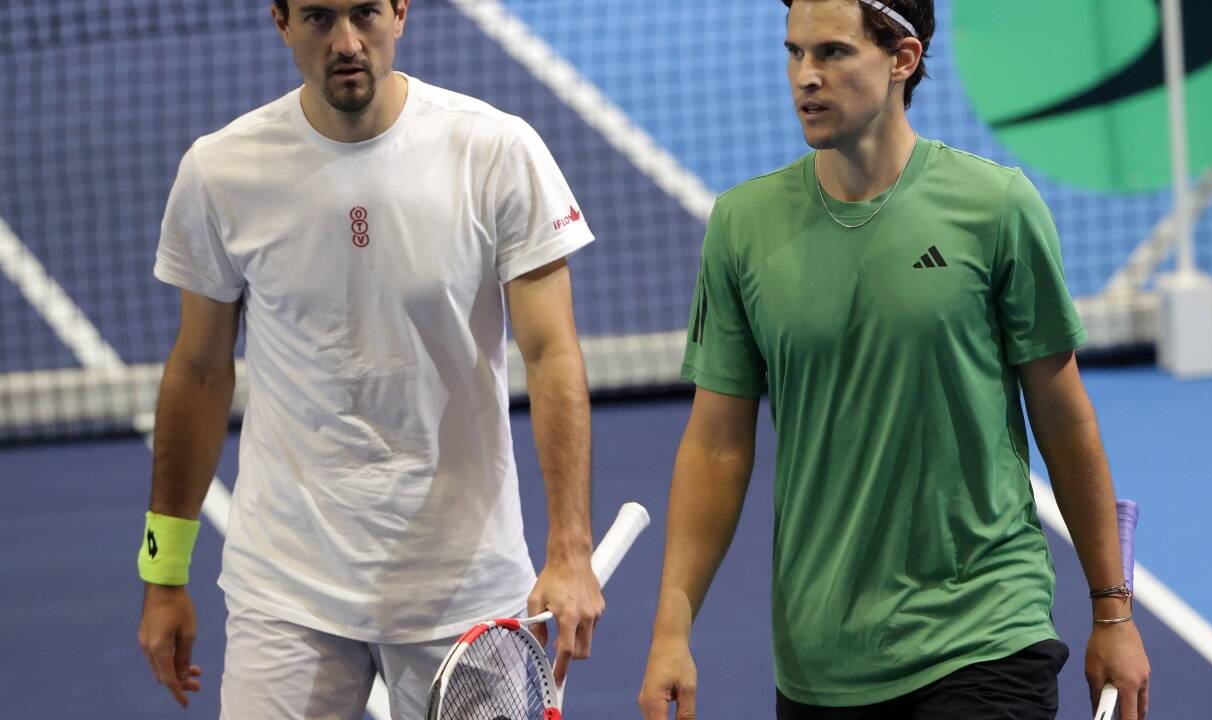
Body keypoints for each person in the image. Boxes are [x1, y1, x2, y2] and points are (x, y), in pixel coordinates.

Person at [637, 1, 1151, 718]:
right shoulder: (742, 225)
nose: (804, 78)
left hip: (985, 631)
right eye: (794, 53)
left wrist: (1112, 612)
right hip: (821, 659)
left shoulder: (995, 208)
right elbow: (717, 446)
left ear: (902, 59)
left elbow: (1063, 419)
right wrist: (670, 629)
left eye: (832, 54)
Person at [135, 1, 602, 716]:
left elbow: (552, 355)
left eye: (365, 13)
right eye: (320, 18)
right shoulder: (221, 172)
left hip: (466, 591)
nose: (347, 42)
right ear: (281, 23)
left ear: (401, 13)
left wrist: (570, 552)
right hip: (287, 591)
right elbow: (198, 373)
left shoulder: (496, 151)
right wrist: (164, 573)